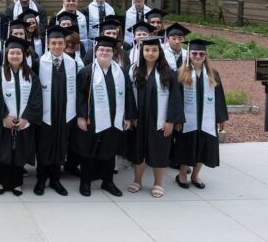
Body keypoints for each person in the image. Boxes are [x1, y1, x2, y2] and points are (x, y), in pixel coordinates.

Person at [73, 36, 136, 197]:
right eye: (101, 49)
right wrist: (80, 117)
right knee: (88, 151)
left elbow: (128, 95)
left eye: (108, 50)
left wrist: (128, 117)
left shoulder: (121, 72)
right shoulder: (86, 72)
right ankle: (85, 182)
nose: (104, 52)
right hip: (91, 120)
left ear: (113, 53)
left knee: (110, 151)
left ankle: (107, 181)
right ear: (95, 52)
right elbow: (79, 96)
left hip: (115, 119)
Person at [126, 36, 184, 198]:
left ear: (160, 52)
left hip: (160, 120)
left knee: (160, 151)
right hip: (140, 119)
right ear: (142, 51)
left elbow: (175, 98)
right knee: (139, 151)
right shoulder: (133, 70)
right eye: (147, 50)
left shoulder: (168, 73)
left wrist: (171, 121)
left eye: (154, 50)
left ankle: (158, 183)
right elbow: (128, 96)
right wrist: (129, 117)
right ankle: (137, 181)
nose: (150, 53)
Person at [0, 38, 42, 195]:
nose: (14, 56)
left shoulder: (31, 75)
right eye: (11, 53)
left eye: (18, 53)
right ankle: (1, 182)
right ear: (6, 55)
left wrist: (26, 118)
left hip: (23, 121)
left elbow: (35, 99)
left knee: (19, 153)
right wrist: (5, 116)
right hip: (4, 120)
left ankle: (17, 183)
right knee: (3, 151)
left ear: (23, 56)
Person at [173, 39, 228, 190]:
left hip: (207, 120)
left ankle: (195, 175)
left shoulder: (213, 74)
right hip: (187, 120)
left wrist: (221, 117)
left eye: (201, 54)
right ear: (189, 54)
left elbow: (219, 97)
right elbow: (176, 99)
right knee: (186, 147)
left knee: (204, 147)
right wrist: (177, 118)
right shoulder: (180, 73)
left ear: (205, 56)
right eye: (195, 53)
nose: (198, 56)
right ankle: (182, 174)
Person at [32, 25, 77, 197]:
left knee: (60, 145)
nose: (57, 46)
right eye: (54, 43)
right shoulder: (39, 63)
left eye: (60, 43)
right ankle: (41, 178)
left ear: (65, 45)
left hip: (64, 112)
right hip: (45, 113)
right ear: (48, 44)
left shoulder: (72, 63)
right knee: (44, 146)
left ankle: (56, 179)